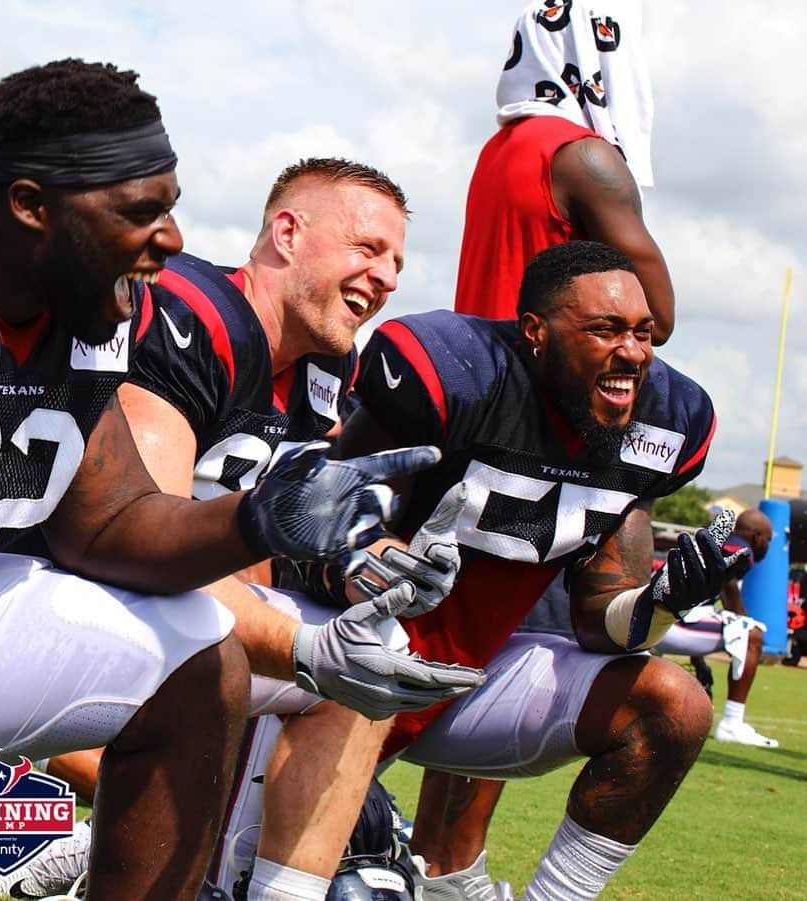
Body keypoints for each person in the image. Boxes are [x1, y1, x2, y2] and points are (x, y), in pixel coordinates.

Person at [0, 62, 474, 901]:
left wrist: (261, 520)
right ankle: (30, 833)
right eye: (142, 212)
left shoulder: (89, 313)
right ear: (32, 206)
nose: (171, 239)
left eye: (168, 207)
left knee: (197, 664)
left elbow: (110, 523)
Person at [331, 241, 736, 899]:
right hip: (340, 666)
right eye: (605, 329)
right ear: (534, 333)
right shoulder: (459, 375)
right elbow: (323, 530)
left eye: (640, 333)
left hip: (467, 677)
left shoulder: (659, 425)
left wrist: (661, 599)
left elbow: (599, 623)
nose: (631, 352)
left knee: (672, 704)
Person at [441, 0, 677, 885]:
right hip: (543, 431)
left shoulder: (503, 148)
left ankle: (446, 870)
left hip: (479, 410)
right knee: (557, 671)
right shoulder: (581, 155)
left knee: (453, 669)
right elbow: (654, 307)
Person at [454, 0, 674, 344]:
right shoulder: (583, 157)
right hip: (538, 386)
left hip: (478, 374)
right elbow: (655, 321)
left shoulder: (496, 151)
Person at [655, 509, 778, 748]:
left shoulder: (719, 540)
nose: (767, 545)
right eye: (768, 539)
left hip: (648, 618)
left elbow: (698, 599)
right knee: (751, 633)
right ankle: (732, 722)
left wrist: (698, 661)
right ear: (756, 536)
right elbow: (726, 583)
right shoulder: (742, 549)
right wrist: (742, 618)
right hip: (672, 624)